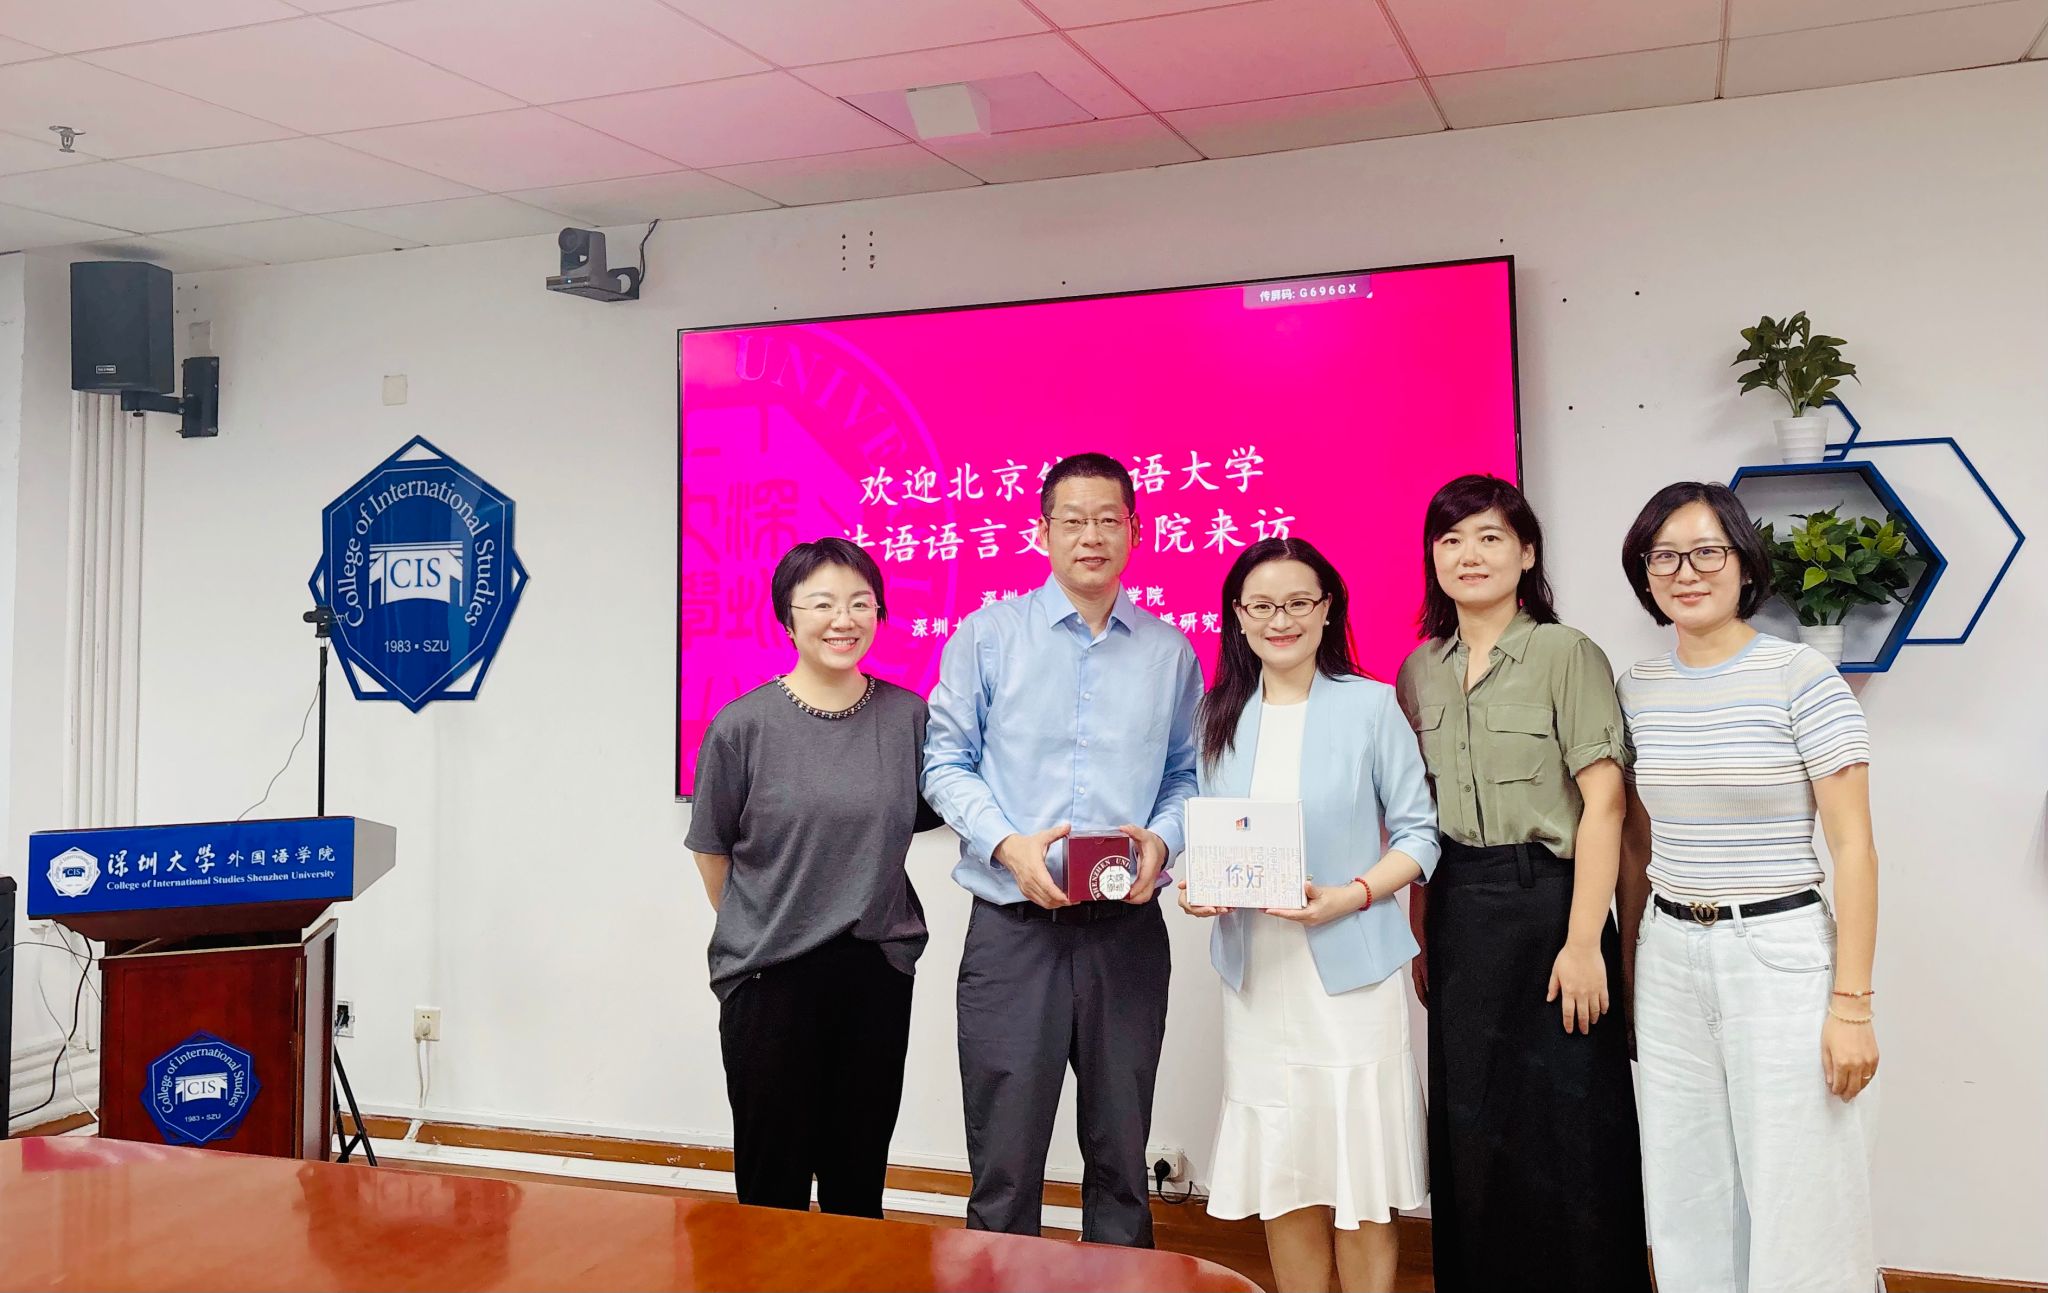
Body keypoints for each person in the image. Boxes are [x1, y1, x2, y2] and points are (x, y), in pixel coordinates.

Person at [923, 451, 1203, 1247]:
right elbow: (944, 763)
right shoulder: (988, 636)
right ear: (1041, 532)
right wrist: (1006, 844)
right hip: (1013, 933)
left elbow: (1188, 774)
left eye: (1108, 520)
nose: (1091, 537)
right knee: (1005, 1164)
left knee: (1121, 1159)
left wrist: (1164, 839)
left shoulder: (1170, 653)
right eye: (1073, 521)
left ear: (1136, 531)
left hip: (1126, 935)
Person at [1616, 482, 1881, 1293]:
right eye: (1664, 555)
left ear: (1743, 562)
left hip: (1779, 952)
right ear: (1644, 572)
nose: (1685, 572)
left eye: (1707, 551)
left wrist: (1852, 1005)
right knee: (1687, 1188)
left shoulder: (1802, 676)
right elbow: (1635, 840)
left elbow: (1855, 849)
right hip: (1669, 953)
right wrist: (1630, 971)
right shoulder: (1636, 688)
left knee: (1802, 1188)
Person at [1393, 474, 1650, 1292]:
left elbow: (1605, 803)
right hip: (1460, 910)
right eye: (1451, 540)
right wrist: (1420, 934)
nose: (1469, 555)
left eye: (1490, 537)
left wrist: (1584, 942)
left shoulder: (1565, 653)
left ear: (1527, 552)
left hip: (1553, 904)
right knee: (1473, 1126)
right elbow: (1420, 817)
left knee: (1572, 1127)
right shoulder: (1419, 670)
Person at [1176, 538, 1438, 1293]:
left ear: (1328, 610)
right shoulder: (1217, 715)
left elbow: (1420, 835)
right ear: (1238, 616)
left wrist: (1350, 895)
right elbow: (1207, 830)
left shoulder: (1370, 704)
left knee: (1359, 1171)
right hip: (1258, 975)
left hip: (1349, 973)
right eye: (1261, 605)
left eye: (1298, 602)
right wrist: (1196, 885)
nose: (1279, 619)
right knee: (1285, 1168)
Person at [684, 537, 940, 1218]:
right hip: (769, 974)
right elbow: (712, 852)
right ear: (788, 619)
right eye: (822, 604)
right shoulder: (741, 726)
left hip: (874, 967)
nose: (843, 619)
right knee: (773, 1184)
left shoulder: (910, 718)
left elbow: (925, 814)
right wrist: (762, 923)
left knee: (858, 1179)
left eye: (860, 603)